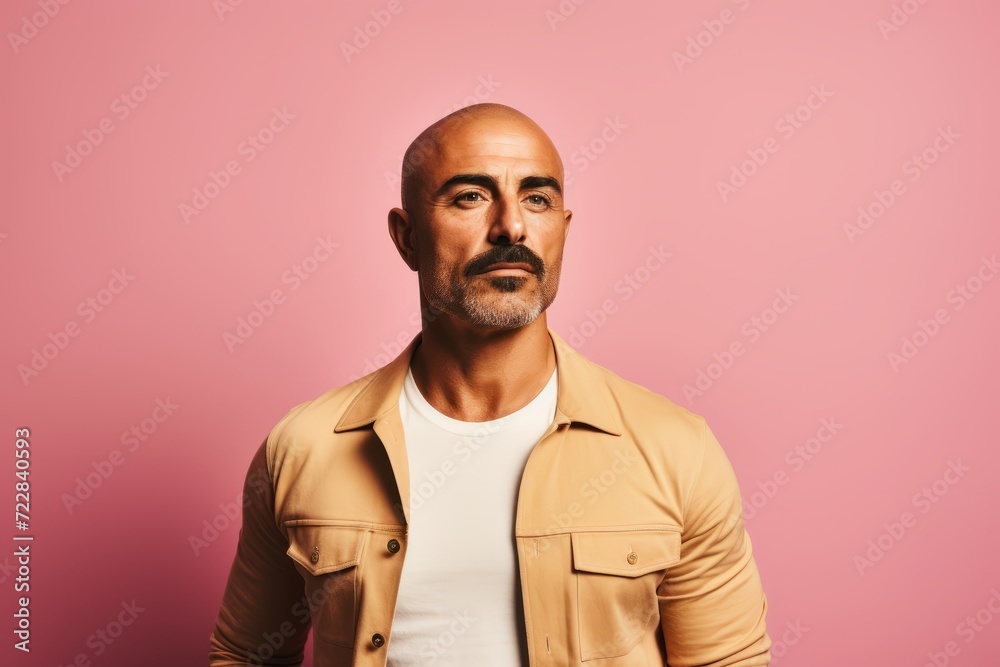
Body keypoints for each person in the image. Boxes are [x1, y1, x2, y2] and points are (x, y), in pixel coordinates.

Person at [209, 102, 772, 666]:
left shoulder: (674, 449)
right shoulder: (304, 446)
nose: (512, 226)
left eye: (537, 198)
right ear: (406, 238)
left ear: (562, 231)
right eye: (470, 196)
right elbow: (244, 656)